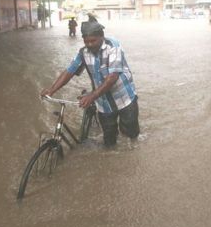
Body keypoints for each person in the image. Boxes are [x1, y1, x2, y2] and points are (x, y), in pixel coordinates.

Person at [40, 17, 139, 146]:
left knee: (131, 137)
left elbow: (112, 77)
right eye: (86, 42)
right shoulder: (83, 52)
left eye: (93, 41)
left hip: (124, 99)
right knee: (109, 142)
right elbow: (69, 71)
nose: (90, 45)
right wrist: (52, 90)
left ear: (102, 37)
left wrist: (91, 96)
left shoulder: (113, 46)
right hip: (104, 104)